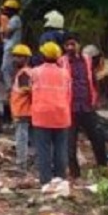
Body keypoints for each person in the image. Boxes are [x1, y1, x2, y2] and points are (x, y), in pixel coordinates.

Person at [60, 33, 108, 178]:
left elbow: (92, 80)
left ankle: (103, 169)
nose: (70, 47)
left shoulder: (87, 60)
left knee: (98, 138)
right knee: (70, 144)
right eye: (67, 45)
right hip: (70, 108)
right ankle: (75, 174)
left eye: (72, 44)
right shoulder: (61, 61)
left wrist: (96, 99)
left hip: (87, 106)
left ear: (79, 45)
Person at [32, 42, 72, 184]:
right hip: (61, 115)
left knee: (44, 150)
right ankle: (60, 179)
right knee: (61, 149)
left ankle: (45, 181)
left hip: (42, 115)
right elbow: (69, 94)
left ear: (43, 55)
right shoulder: (65, 73)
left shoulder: (36, 71)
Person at [8, 44, 34, 170]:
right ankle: (34, 162)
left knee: (21, 139)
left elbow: (28, 91)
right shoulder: (26, 72)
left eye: (19, 57)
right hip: (27, 110)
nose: (15, 59)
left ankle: (21, 164)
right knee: (33, 138)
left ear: (26, 58)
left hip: (23, 111)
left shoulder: (24, 73)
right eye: (15, 56)